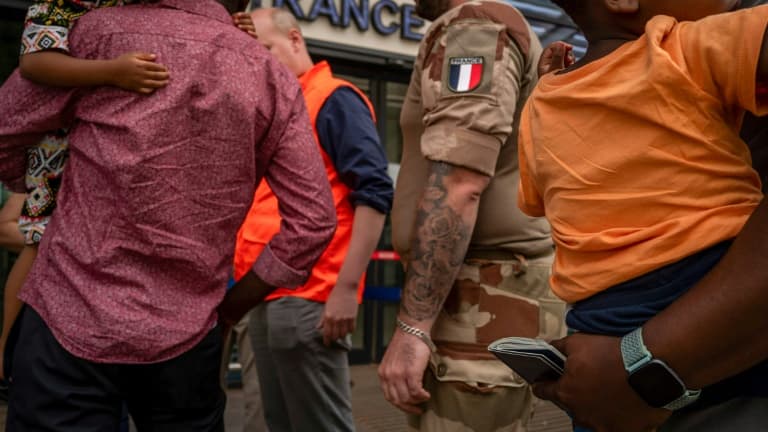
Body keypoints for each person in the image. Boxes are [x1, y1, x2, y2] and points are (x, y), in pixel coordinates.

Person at [0, 0, 337, 429]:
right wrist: (232, 308)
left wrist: (44, 187)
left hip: (70, 311)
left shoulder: (98, 35)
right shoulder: (267, 72)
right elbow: (314, 222)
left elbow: (6, 130)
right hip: (189, 329)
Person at [517, 1, 768, 431]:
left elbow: (536, 200)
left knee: (593, 403)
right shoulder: (680, 47)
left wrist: (570, 94)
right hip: (709, 285)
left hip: (600, 316)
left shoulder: (541, 105)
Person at [0, 1, 258, 383]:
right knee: (43, 240)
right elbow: (35, 63)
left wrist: (228, 27)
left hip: (106, 140)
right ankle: (5, 347)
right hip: (62, 142)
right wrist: (112, 71)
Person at [376, 0, 566, 430]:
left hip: (482, 300)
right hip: (475, 295)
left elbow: (460, 185)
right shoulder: (474, 26)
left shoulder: (475, 28)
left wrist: (412, 328)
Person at [234, 8, 394, 431]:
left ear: (296, 39)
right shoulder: (278, 108)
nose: (261, 64)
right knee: (276, 423)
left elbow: (374, 194)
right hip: (264, 290)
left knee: (321, 424)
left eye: (266, 50)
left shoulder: (332, 98)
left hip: (312, 293)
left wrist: (345, 289)